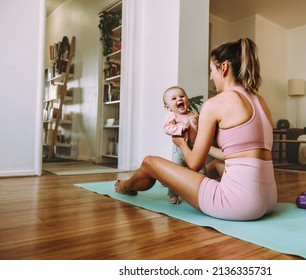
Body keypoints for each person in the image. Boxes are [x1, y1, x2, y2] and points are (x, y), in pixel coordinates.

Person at [115, 38, 277, 221]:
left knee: (149, 162)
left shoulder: (216, 103)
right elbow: (235, 154)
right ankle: (171, 182)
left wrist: (181, 143)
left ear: (223, 68)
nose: (211, 77)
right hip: (268, 199)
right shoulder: (260, 101)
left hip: (239, 205)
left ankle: (125, 187)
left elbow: (194, 164)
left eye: (211, 70)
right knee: (216, 165)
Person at [162, 86, 206, 204]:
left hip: (195, 149)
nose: (179, 99)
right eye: (174, 98)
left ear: (188, 100)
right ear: (167, 107)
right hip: (179, 150)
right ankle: (173, 194)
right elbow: (166, 128)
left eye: (182, 96)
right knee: (175, 173)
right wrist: (180, 127)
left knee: (201, 171)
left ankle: (199, 192)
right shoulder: (173, 115)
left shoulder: (193, 115)